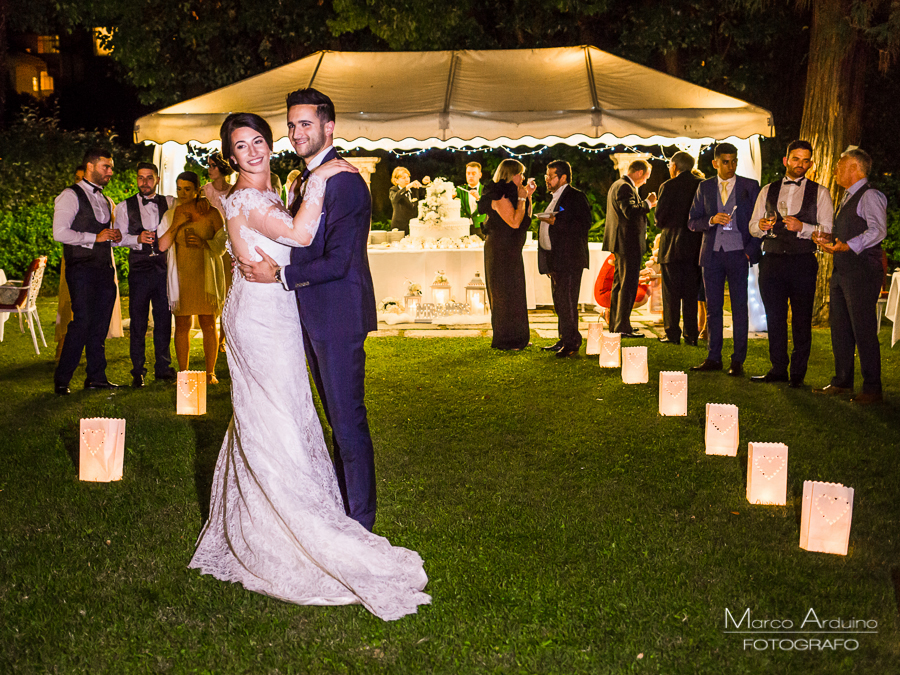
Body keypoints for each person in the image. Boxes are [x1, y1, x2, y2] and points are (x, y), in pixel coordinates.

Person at [190, 109, 429, 620]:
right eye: (241, 146)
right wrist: (321, 176)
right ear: (230, 155)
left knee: (285, 417)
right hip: (262, 316)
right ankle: (289, 527)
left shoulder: (275, 188)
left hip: (285, 312)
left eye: (259, 141)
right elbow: (299, 236)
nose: (252, 151)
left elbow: (326, 252)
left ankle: (338, 519)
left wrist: (230, 198)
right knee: (278, 417)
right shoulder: (284, 188)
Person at [238, 88, 380, 533]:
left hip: (337, 315)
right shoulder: (305, 180)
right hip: (309, 315)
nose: (297, 133)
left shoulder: (346, 182)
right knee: (333, 415)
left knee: (347, 418)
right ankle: (341, 505)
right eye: (292, 124)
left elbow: (339, 261)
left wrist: (280, 277)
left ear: (329, 128)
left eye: (306, 124)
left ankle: (361, 521)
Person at [749, 141, 834, 388]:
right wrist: (761, 227)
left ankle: (797, 373)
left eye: (806, 160)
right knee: (774, 318)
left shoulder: (821, 193)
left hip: (802, 262)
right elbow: (753, 226)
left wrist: (803, 228)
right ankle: (777, 368)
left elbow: (827, 231)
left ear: (810, 163)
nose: (801, 165)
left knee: (801, 319)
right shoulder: (767, 190)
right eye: (796, 159)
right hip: (772, 261)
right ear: (786, 160)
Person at [813, 148, 887, 404]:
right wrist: (830, 240)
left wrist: (848, 245)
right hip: (842, 269)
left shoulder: (870, 195)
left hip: (862, 270)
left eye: (839, 165)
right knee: (841, 327)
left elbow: (878, 231)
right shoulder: (847, 196)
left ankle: (872, 388)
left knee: (863, 328)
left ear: (854, 168)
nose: (835, 170)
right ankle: (842, 381)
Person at [52, 147, 122, 394]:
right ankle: (62, 379)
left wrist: (113, 236)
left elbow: (102, 235)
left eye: (111, 167)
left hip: (104, 269)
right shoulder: (69, 196)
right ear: (90, 167)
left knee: (100, 324)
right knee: (81, 322)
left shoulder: (104, 198)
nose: (111, 172)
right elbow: (59, 232)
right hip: (80, 269)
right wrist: (95, 236)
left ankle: (96, 377)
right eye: (107, 167)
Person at [688, 143, 761, 376]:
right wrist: (710, 220)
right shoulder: (705, 187)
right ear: (715, 163)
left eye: (734, 161)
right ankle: (713, 357)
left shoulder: (750, 186)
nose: (731, 166)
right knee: (713, 308)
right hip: (711, 255)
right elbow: (692, 222)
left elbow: (760, 222)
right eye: (726, 162)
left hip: (739, 253)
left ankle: (738, 360)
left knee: (740, 308)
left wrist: (749, 251)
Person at [157, 171, 227, 384]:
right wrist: (177, 223)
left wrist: (205, 243)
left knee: (208, 322)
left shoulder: (211, 212)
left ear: (198, 190)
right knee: (182, 323)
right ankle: (184, 373)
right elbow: (162, 244)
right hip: (182, 275)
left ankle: (210, 372)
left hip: (206, 275)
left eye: (188, 189)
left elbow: (224, 242)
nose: (183, 193)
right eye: (179, 189)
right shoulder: (171, 213)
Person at [113, 162, 177, 387]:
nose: (145, 182)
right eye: (141, 178)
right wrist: (136, 239)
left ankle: (163, 367)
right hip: (139, 269)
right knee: (138, 321)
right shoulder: (123, 207)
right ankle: (137, 371)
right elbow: (117, 239)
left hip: (162, 268)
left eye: (149, 178)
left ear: (157, 180)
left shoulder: (170, 203)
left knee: (163, 319)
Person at [536, 160, 592, 358]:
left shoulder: (575, 197)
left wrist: (555, 221)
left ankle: (572, 341)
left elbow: (584, 224)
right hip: (555, 258)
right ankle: (564, 337)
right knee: (559, 301)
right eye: (547, 176)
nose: (547, 180)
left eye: (551, 176)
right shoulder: (554, 197)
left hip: (569, 258)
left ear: (563, 177)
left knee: (567, 301)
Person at [478, 158, 536, 350]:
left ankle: (519, 337)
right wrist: (521, 198)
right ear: (511, 174)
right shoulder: (499, 194)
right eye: (521, 173)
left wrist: (528, 196)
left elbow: (526, 216)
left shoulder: (513, 193)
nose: (523, 177)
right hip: (501, 250)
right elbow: (514, 222)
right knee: (504, 294)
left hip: (512, 249)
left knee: (516, 291)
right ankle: (506, 339)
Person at [603, 159, 657, 338]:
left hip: (623, 243)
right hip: (628, 243)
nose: (646, 181)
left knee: (620, 284)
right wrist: (648, 203)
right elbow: (630, 211)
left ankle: (617, 324)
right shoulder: (625, 187)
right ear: (640, 173)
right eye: (646, 177)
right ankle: (622, 327)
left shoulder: (618, 185)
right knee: (627, 285)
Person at [655, 151, 703, 346]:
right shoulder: (701, 185)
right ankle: (691, 334)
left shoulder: (668, 186)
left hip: (672, 246)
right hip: (695, 245)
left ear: (674, 166)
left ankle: (672, 333)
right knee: (691, 293)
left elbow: (659, 219)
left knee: (671, 294)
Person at [202, 152, 235, 353]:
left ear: (222, 168)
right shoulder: (204, 191)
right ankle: (212, 335)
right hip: (210, 248)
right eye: (209, 165)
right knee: (214, 293)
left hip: (230, 249)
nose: (210, 169)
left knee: (228, 294)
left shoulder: (234, 191)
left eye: (213, 165)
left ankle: (223, 338)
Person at [389, 167, 424, 234]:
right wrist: (407, 188)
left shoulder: (414, 190)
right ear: (396, 180)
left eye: (408, 177)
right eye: (403, 178)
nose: (407, 179)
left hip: (414, 226)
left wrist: (425, 183)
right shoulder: (393, 190)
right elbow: (394, 198)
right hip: (399, 226)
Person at [456, 161, 487, 235]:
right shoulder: (459, 190)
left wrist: (479, 198)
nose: (470, 176)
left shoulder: (486, 190)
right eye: (468, 173)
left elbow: (490, 208)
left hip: (481, 227)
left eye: (473, 173)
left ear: (480, 175)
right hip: (463, 228)